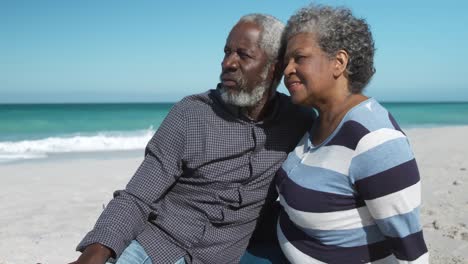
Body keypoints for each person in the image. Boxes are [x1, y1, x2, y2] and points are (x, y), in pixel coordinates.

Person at [70, 14, 315, 264]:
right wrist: (94, 255)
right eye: (226, 52)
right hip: (153, 249)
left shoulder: (298, 120)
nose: (228, 63)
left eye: (243, 55)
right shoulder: (191, 113)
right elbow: (137, 196)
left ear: (274, 68)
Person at [275, 4, 429, 263]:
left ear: (339, 62)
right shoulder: (320, 120)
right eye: (286, 60)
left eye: (299, 58)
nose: (287, 69)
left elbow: (412, 252)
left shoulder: (375, 141)